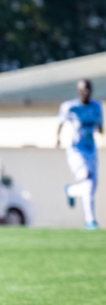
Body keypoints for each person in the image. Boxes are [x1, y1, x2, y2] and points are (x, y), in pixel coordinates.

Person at [56, 79, 103, 229]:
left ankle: (71, 190)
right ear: (79, 91)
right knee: (87, 180)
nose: (86, 92)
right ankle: (90, 221)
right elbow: (60, 122)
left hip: (91, 149)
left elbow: (100, 126)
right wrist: (57, 139)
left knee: (92, 185)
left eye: (88, 89)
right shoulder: (71, 107)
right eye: (83, 89)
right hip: (76, 149)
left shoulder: (97, 106)